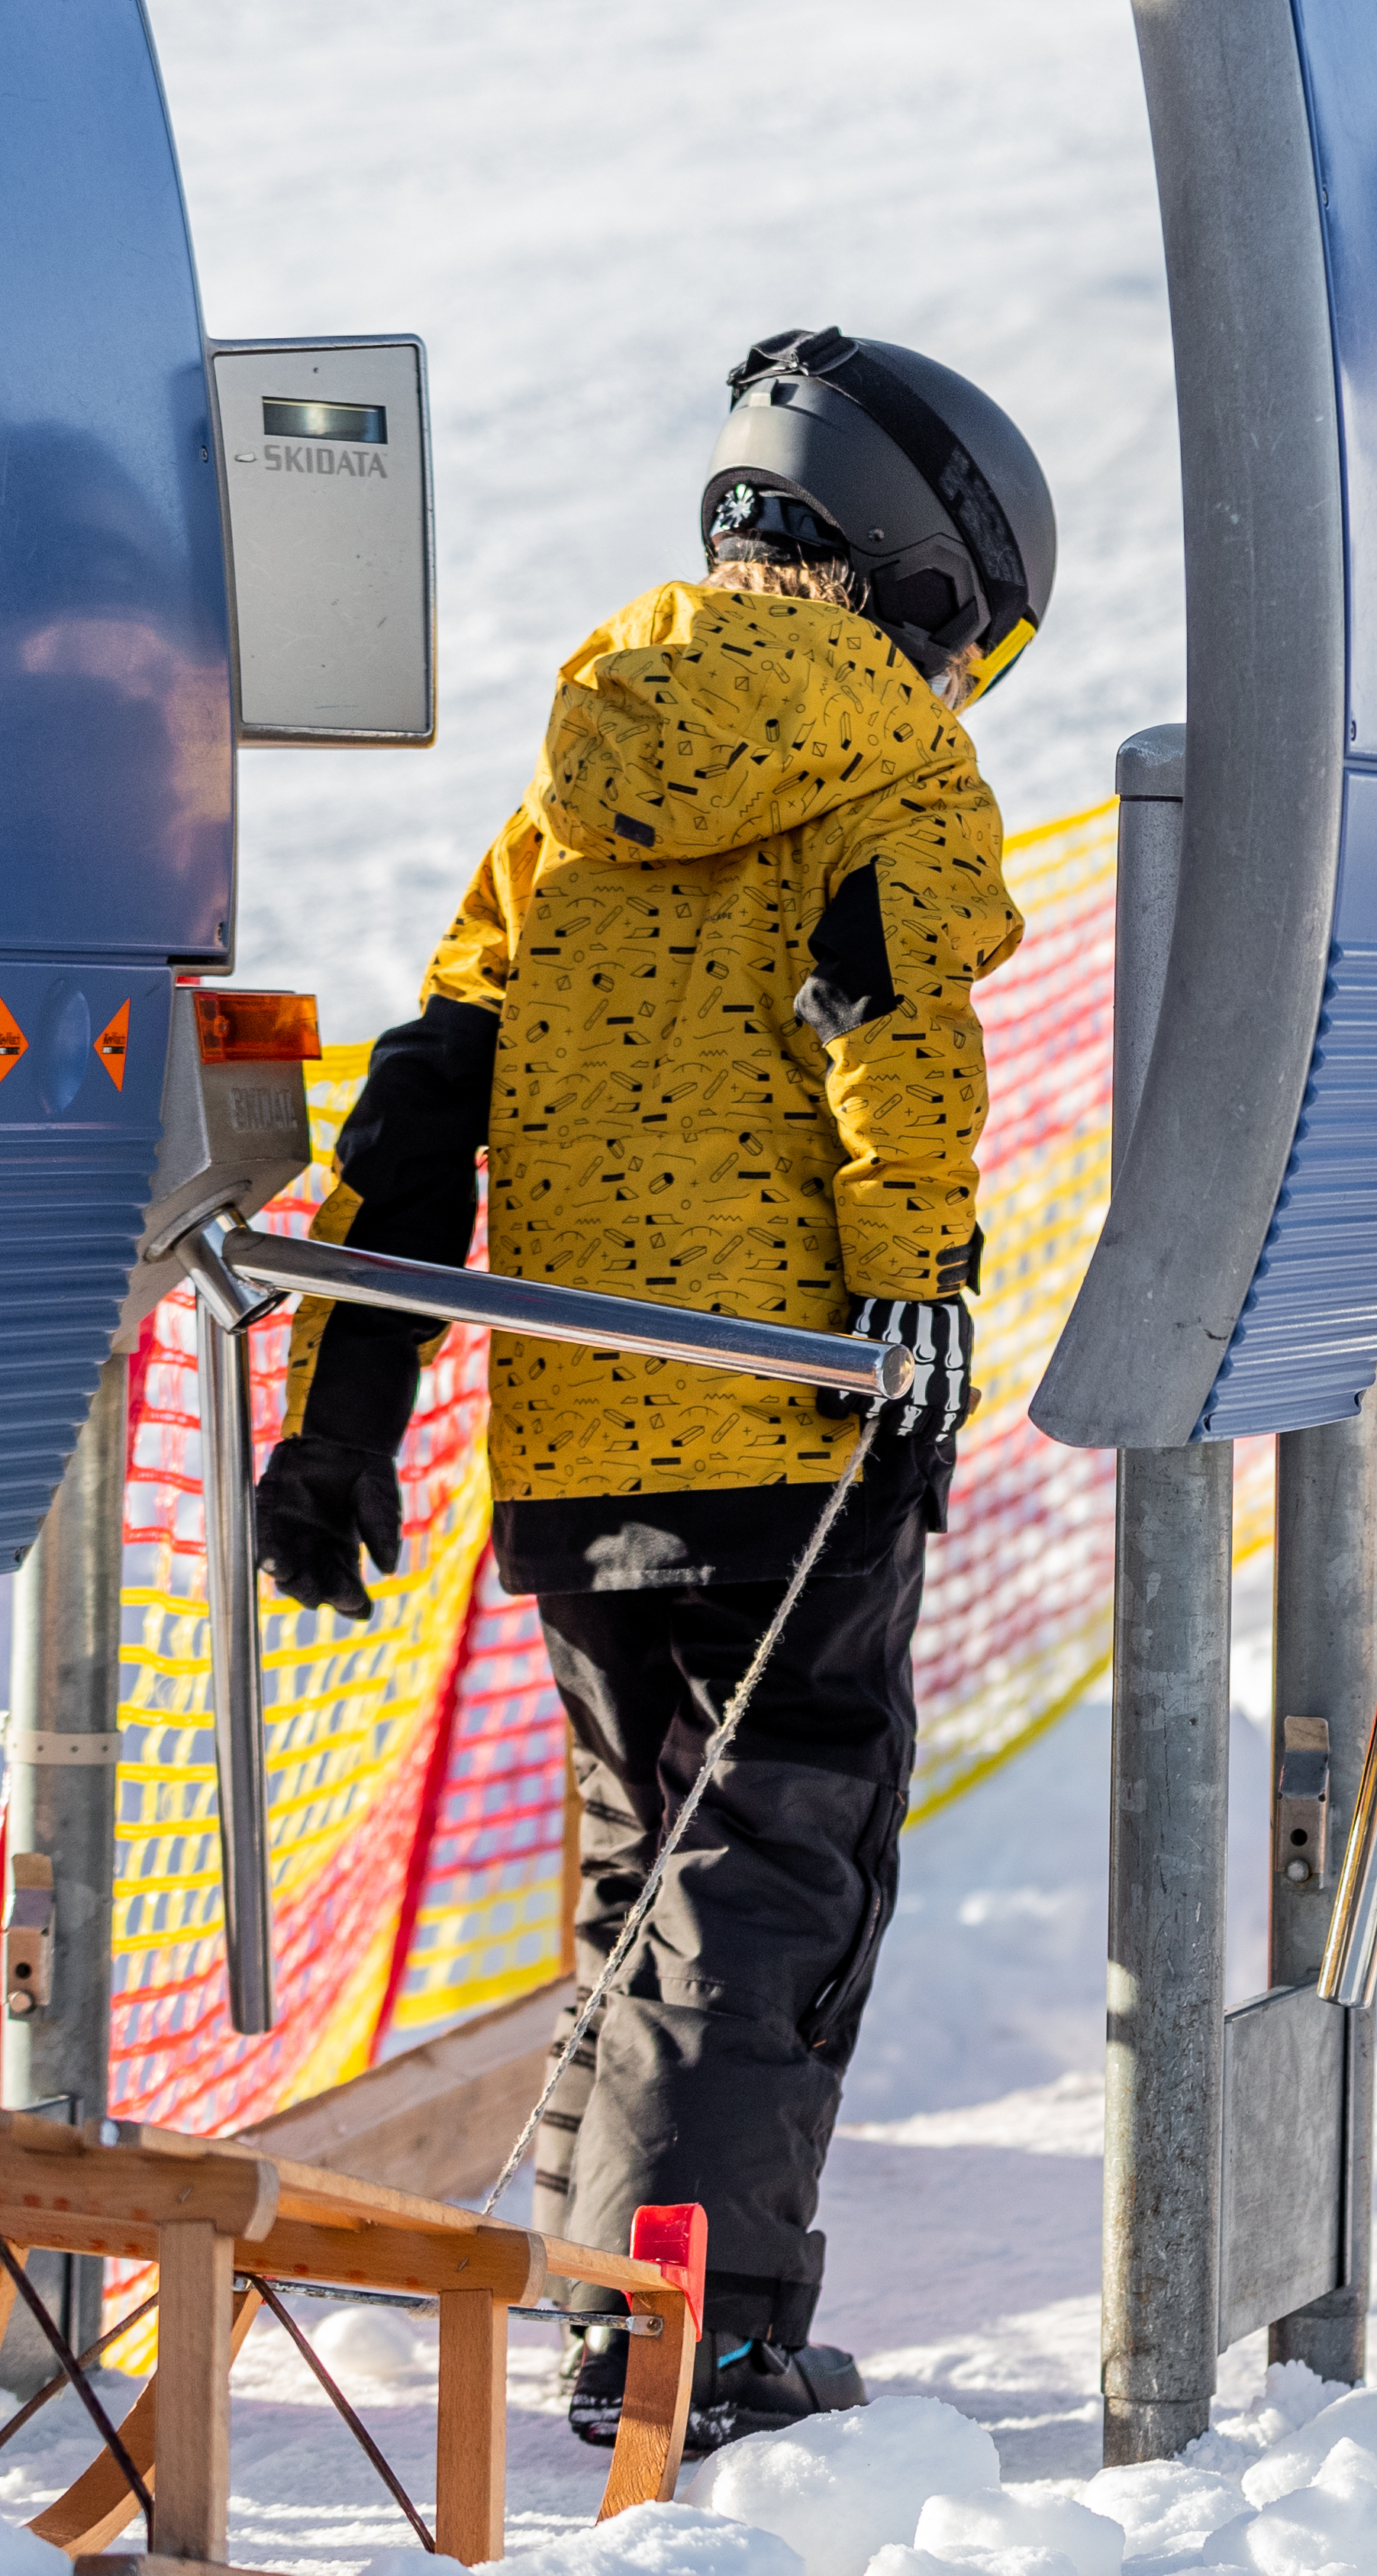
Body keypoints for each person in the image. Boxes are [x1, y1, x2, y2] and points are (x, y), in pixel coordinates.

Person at [252, 327, 1051, 2450]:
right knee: (777, 1871)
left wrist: (342, 1408)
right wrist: (919, 1307)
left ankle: (616, 2303)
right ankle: (707, 2351)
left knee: (644, 1864)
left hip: (582, 1436)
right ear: (929, 582)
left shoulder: (573, 786)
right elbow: (899, 1049)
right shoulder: (898, 762)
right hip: (788, 1412)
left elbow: (427, 1101)